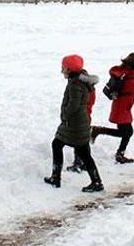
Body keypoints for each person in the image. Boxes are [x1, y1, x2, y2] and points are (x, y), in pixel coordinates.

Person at [44, 55, 104, 193]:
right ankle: (57, 177)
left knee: (65, 147)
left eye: (63, 68)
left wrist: (65, 114)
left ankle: (95, 182)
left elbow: (74, 105)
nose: (61, 71)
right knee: (65, 146)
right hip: (78, 123)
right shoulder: (79, 80)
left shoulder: (75, 84)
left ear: (69, 70)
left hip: (75, 124)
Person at [66, 71, 98, 173]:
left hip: (81, 118)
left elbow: (77, 104)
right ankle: (82, 163)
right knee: (83, 141)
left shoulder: (82, 89)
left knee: (78, 141)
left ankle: (78, 163)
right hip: (87, 116)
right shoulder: (90, 87)